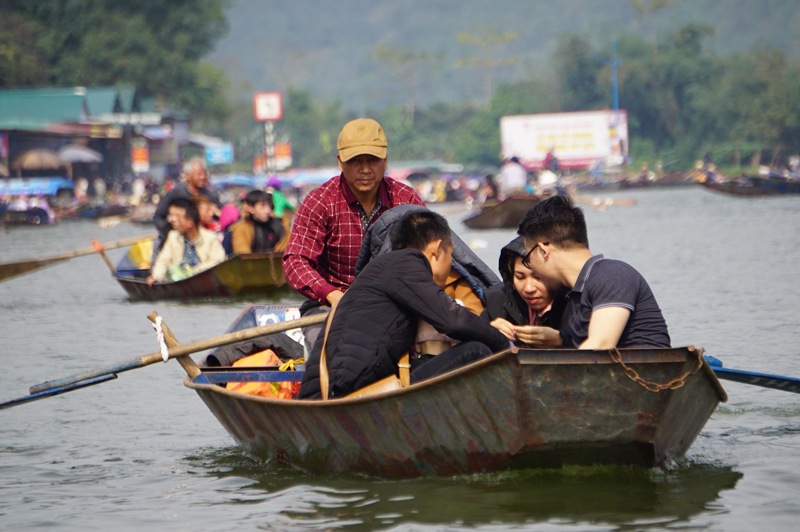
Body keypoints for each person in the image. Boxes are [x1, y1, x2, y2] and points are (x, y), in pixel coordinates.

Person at [297, 210, 510, 399]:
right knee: (476, 351)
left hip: (341, 386)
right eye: (450, 255)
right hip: (341, 393)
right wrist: (505, 345)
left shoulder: (386, 268)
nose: (450, 266)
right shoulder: (406, 263)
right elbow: (454, 319)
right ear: (437, 249)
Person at [282, 118, 424, 350]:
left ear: (385, 161)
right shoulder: (320, 202)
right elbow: (295, 261)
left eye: (373, 160)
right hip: (329, 306)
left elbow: (428, 255)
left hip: (394, 304)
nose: (365, 169)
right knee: (331, 350)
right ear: (340, 162)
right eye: (355, 161)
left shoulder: (406, 199)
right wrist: (332, 295)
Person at [517, 195, 670, 349]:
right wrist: (560, 339)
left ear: (543, 251)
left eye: (528, 259)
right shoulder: (575, 294)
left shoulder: (611, 275)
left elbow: (600, 346)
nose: (531, 266)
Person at [482, 236, 570, 348]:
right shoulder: (496, 302)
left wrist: (561, 339)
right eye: (520, 277)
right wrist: (488, 332)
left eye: (538, 277)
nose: (529, 288)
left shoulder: (576, 303)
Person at [151, 158, 220, 265]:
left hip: (200, 240)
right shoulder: (175, 193)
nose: (203, 177)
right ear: (188, 175)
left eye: (204, 174)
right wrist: (171, 233)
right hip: (176, 239)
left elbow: (221, 216)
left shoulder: (210, 195)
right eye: (199, 174)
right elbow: (158, 217)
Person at [147, 198, 225, 285]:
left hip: (203, 280)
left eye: (179, 220)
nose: (176, 223)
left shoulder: (210, 238)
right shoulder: (173, 236)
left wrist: (194, 271)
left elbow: (218, 261)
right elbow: (163, 261)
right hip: (177, 281)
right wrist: (157, 277)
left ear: (189, 223)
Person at [230, 190, 285, 254]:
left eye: (269, 206)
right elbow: (243, 255)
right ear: (251, 208)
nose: (267, 210)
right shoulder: (242, 229)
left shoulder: (279, 227)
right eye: (262, 206)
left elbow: (283, 253)